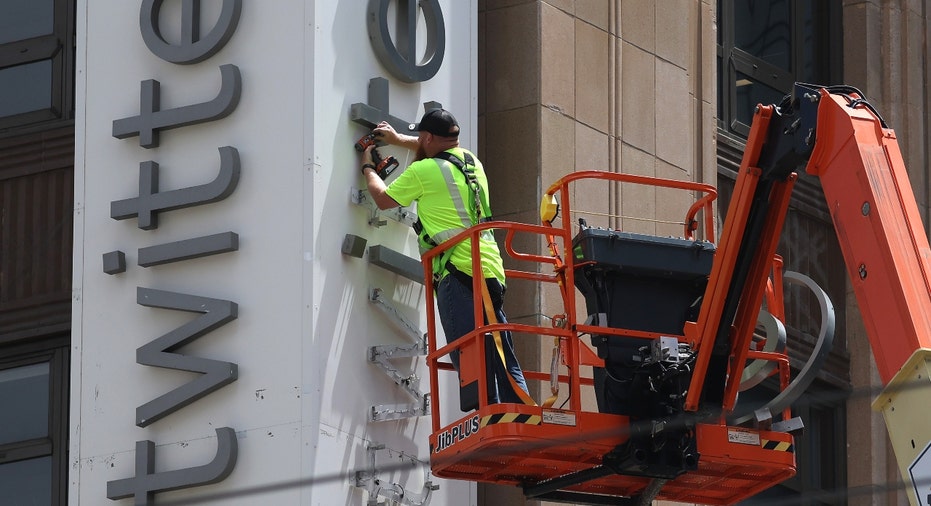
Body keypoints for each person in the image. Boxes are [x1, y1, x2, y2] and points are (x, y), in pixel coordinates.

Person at [358, 108, 531, 410]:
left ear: (427, 137)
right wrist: (399, 139)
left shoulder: (423, 172)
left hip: (455, 269)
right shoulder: (470, 161)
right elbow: (438, 150)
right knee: (500, 349)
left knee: (469, 352)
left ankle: (488, 415)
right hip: (489, 267)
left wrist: (368, 168)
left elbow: (383, 200)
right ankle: (521, 411)